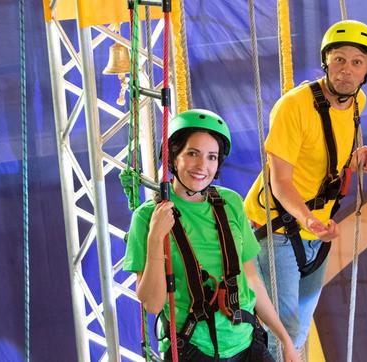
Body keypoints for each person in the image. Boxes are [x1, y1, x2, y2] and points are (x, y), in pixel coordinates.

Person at [243, 20, 367, 355]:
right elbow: (281, 180)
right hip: (277, 226)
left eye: (356, 62)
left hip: (316, 231)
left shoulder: (357, 102)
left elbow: (324, 154)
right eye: (339, 59)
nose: (346, 70)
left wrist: (354, 159)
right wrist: (307, 219)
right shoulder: (294, 106)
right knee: (282, 330)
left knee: (298, 330)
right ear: (326, 62)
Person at [124, 109, 300, 362]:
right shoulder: (148, 216)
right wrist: (154, 240)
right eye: (192, 153)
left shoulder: (230, 203)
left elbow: (251, 279)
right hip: (194, 348)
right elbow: (152, 304)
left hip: (247, 343)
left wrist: (284, 338)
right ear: (174, 157)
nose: (202, 166)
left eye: (211, 157)